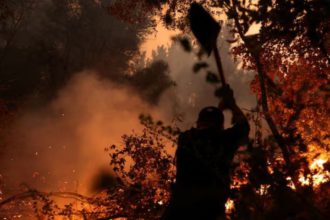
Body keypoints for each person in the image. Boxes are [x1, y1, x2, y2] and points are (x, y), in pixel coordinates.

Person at [161, 85, 250, 220]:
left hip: (178, 210)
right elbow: (243, 127)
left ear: (198, 123)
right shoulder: (225, 140)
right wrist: (231, 104)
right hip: (210, 211)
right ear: (221, 125)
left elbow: (207, 132)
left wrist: (218, 110)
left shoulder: (185, 138)